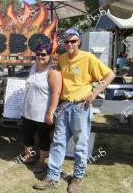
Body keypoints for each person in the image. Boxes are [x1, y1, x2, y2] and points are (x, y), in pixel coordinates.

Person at [34, 29, 115, 193]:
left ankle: (77, 177)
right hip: (63, 106)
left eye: (73, 41)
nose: (70, 44)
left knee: (80, 145)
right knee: (58, 142)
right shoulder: (62, 59)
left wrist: (94, 93)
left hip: (80, 107)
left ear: (79, 42)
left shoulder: (88, 58)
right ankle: (53, 177)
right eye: (67, 42)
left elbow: (110, 74)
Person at [21, 43, 62, 173]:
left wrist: (51, 112)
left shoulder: (53, 70)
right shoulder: (33, 66)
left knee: (43, 138)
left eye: (43, 54)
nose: (40, 56)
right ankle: (29, 156)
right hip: (28, 111)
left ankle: (41, 162)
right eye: (38, 54)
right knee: (27, 135)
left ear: (50, 55)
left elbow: (56, 93)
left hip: (43, 113)